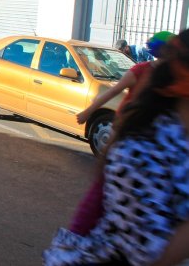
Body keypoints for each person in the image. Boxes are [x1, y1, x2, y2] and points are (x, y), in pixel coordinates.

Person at [43, 28, 189, 266]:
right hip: (126, 125)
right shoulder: (144, 146)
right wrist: (89, 112)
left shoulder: (173, 136)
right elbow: (147, 249)